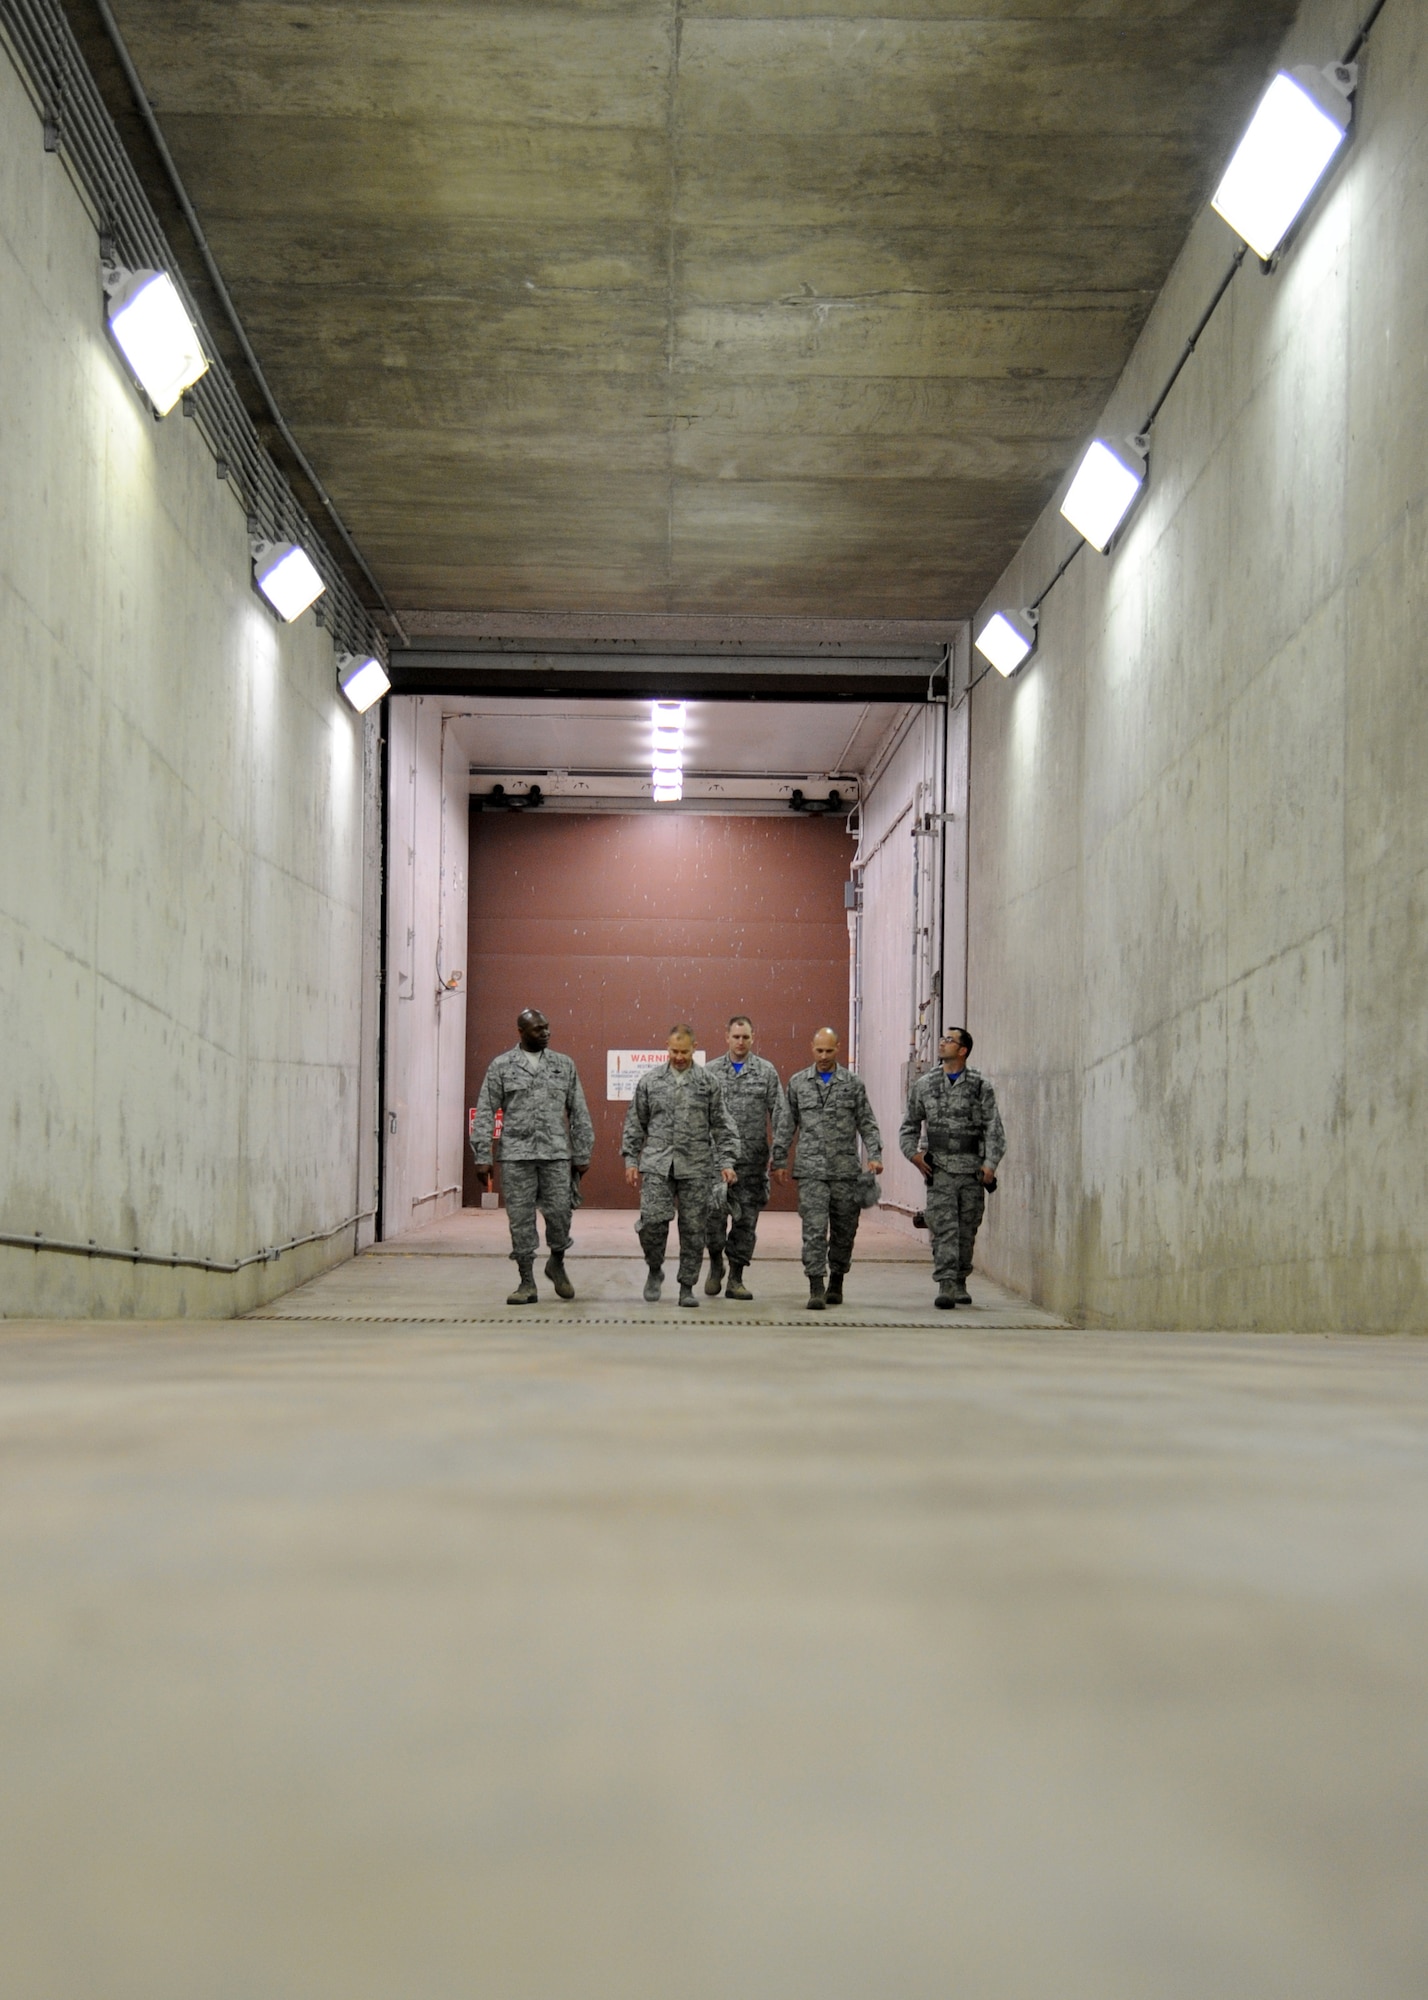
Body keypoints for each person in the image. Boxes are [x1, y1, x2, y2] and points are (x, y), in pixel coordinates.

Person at [470, 1008, 595, 1305]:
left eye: (547, 1028)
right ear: (521, 1032)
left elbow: (579, 1111)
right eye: (538, 1029)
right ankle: (527, 1282)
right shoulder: (502, 1066)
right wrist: (481, 1155)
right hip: (516, 1156)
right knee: (521, 1220)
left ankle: (557, 1262)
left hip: (555, 1155)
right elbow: (486, 1110)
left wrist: (582, 1151)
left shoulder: (563, 1065)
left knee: (560, 1214)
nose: (546, 1033)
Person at [622, 1025, 739, 1309]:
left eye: (684, 1051)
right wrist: (630, 1159)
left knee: (693, 1230)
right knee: (651, 1224)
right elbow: (635, 1123)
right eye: (674, 1051)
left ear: (694, 1048)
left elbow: (723, 1125)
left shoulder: (707, 1083)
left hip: (696, 1167)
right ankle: (654, 1268)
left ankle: (687, 1286)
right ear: (667, 1047)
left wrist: (727, 1161)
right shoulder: (650, 1081)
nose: (679, 1057)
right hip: (657, 1165)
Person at [773, 1028, 882, 1310]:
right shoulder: (798, 1083)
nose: (823, 1056)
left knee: (845, 1231)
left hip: (846, 1171)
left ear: (838, 1049)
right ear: (812, 1048)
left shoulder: (853, 1084)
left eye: (829, 1051)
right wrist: (780, 1159)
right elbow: (787, 1123)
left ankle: (837, 1280)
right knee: (814, 1229)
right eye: (819, 1050)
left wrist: (875, 1154)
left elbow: (867, 1121)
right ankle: (815, 1286)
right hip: (811, 1172)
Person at [899, 1026, 1006, 1309]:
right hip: (941, 1170)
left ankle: (960, 1280)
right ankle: (946, 1283)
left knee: (967, 1229)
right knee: (943, 1227)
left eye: (950, 1040)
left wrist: (990, 1165)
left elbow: (994, 1128)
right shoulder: (925, 1084)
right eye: (943, 1038)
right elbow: (909, 1125)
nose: (942, 1043)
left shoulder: (980, 1086)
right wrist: (914, 1154)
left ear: (963, 1050)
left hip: (971, 1170)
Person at [703, 1015, 786, 1300]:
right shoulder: (710, 1072)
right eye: (736, 1036)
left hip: (752, 1165)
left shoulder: (766, 1072)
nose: (740, 1042)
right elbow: (698, 1117)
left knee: (745, 1224)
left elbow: (780, 1116)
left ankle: (736, 1278)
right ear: (726, 1037)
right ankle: (716, 1263)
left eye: (745, 1037)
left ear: (753, 1038)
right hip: (716, 1164)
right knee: (712, 1222)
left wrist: (780, 1156)